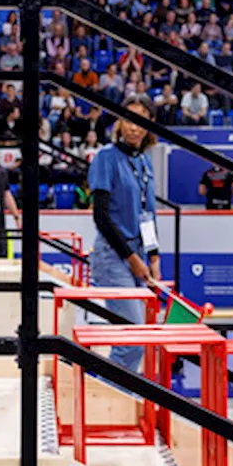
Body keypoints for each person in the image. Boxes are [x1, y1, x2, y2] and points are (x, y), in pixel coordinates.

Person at [88, 94, 160, 373]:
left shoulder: (144, 162)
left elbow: (148, 215)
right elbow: (101, 217)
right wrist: (133, 259)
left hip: (138, 255)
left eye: (140, 121)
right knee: (132, 341)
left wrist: (153, 256)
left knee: (136, 338)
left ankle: (117, 398)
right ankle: (108, 398)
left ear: (149, 125)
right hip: (114, 256)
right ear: (119, 121)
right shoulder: (106, 157)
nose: (133, 127)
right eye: (128, 119)